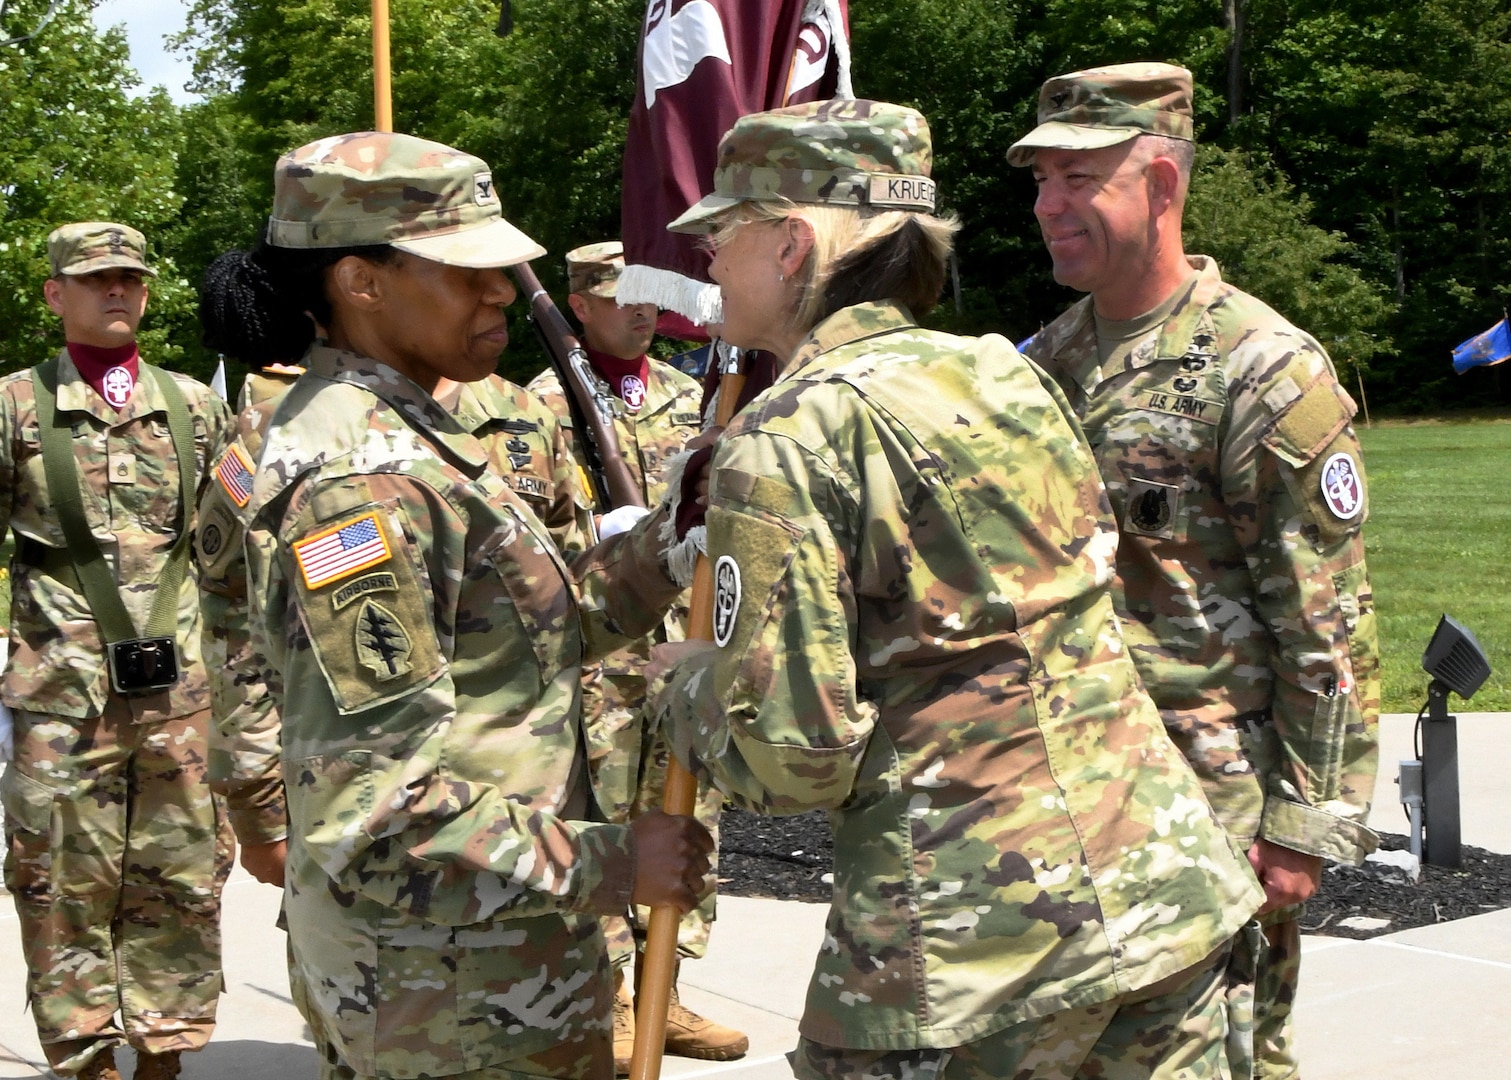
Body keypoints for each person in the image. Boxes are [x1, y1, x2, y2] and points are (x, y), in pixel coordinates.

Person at [646, 97, 1265, 1079]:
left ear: (793, 245)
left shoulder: (785, 437)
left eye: (724, 233)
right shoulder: (1003, 375)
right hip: (1161, 891)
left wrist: (683, 683)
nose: (708, 265)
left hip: (968, 950)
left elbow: (791, 761)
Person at [207, 130, 712, 1080]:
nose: (501, 294)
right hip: (447, 996)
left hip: (491, 960)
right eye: (467, 270)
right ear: (361, 283)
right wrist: (613, 863)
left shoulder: (414, 433)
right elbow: (377, 802)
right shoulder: (361, 481)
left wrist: (667, 537)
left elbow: (538, 630)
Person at [1009, 62, 1381, 1079]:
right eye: (1038, 180)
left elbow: (1326, 620)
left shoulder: (1259, 367)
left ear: (1161, 185)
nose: (1046, 205)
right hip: (1073, 804)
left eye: (1076, 177)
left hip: (1212, 817)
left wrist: (1303, 827)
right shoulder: (1043, 366)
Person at [0, 222, 233, 1080]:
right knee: (61, 880)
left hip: (182, 693)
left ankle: (166, 1050)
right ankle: (87, 1054)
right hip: (61, 692)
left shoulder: (196, 406)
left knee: (182, 875)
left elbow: (237, 552)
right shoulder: (14, 405)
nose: (117, 292)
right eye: (96, 279)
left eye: (130, 279)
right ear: (56, 293)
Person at [529, 242, 745, 1070]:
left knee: (688, 815)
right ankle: (613, 996)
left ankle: (669, 987)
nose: (640, 310)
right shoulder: (539, 406)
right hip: (603, 662)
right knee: (609, 823)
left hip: (681, 650)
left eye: (650, 297)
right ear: (579, 306)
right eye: (619, 297)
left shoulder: (691, 396)